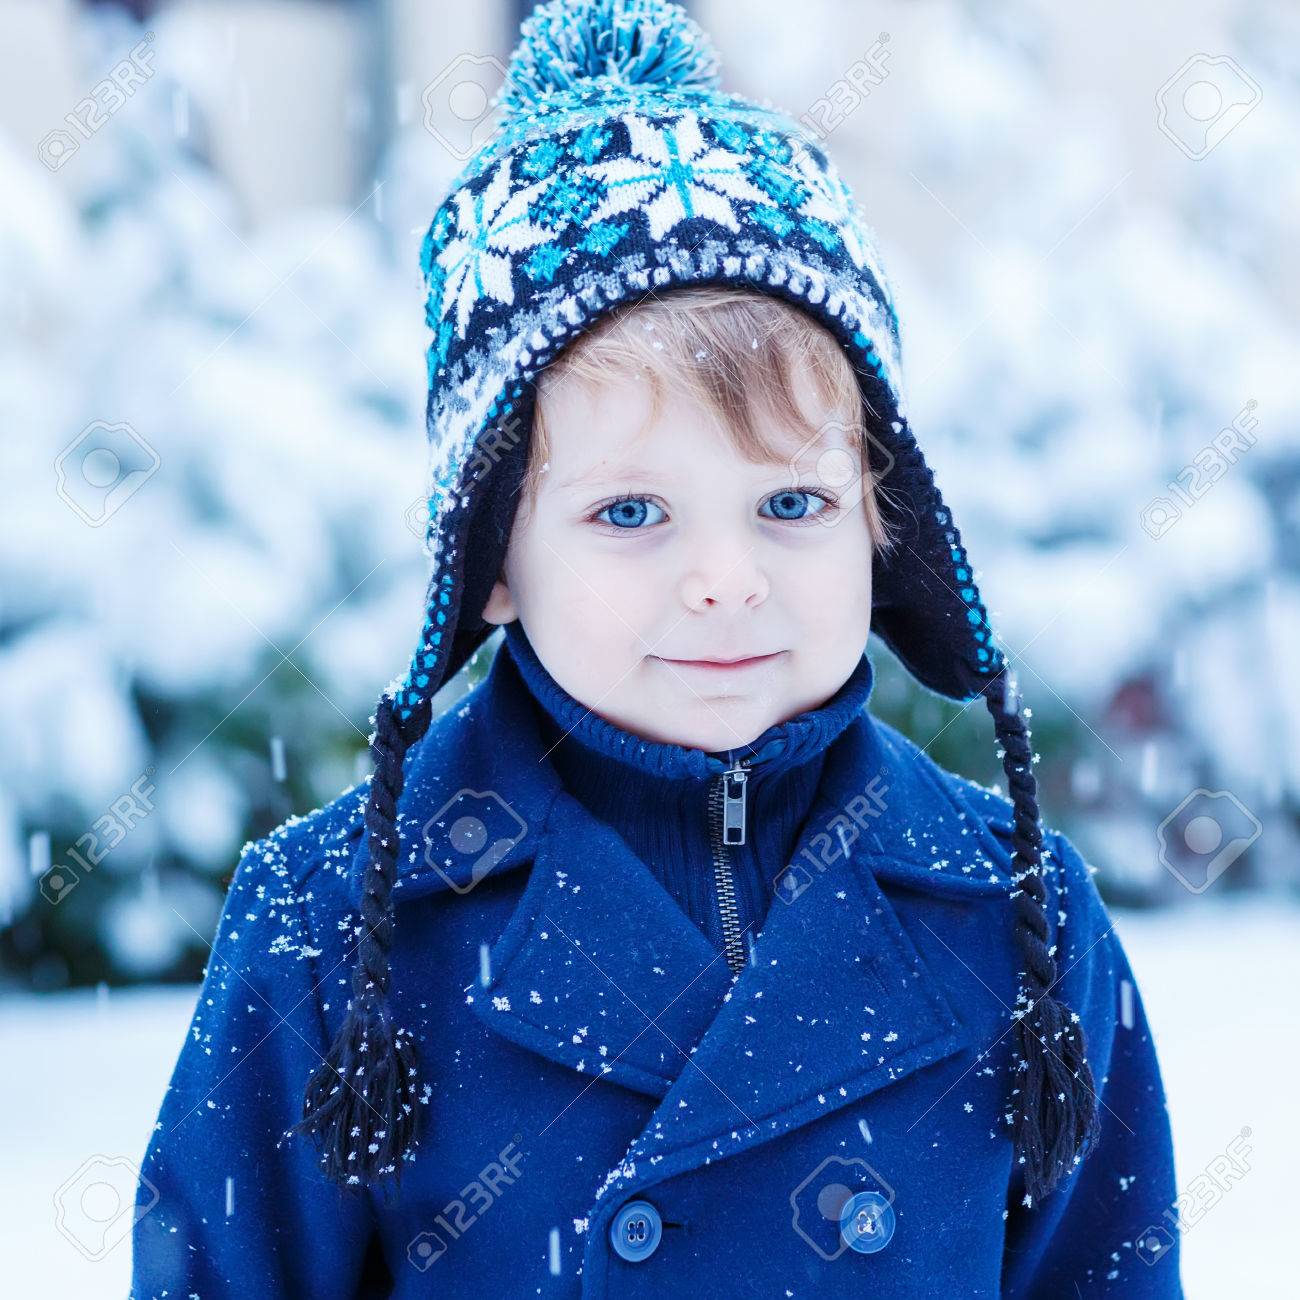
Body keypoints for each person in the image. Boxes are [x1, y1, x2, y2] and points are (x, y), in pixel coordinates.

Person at [132, 1, 1182, 1295]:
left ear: (879, 520)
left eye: (790, 505)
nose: (725, 583)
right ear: (494, 559)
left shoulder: (1012, 912)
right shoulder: (338, 928)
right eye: (630, 512)